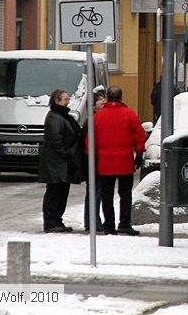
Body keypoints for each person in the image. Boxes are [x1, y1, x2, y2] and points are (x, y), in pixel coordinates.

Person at [92, 85, 146, 236]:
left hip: (105, 163)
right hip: (125, 162)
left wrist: (93, 156)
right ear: (122, 97)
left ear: (107, 98)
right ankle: (124, 224)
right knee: (125, 194)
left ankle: (109, 225)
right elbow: (139, 136)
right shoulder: (129, 114)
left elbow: (91, 140)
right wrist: (139, 154)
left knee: (106, 195)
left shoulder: (99, 116)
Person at [38, 89, 83, 233]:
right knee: (55, 193)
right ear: (57, 100)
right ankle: (51, 222)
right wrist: (67, 154)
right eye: (65, 99)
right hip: (56, 164)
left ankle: (57, 220)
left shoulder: (62, 115)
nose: (68, 101)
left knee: (62, 192)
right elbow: (56, 140)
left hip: (61, 163)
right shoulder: (55, 117)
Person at [82, 90, 106, 232]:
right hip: (93, 161)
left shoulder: (95, 118)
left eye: (104, 98)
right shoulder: (92, 120)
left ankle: (92, 221)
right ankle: (92, 221)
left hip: (96, 160)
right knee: (94, 191)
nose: (103, 101)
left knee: (96, 191)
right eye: (100, 99)